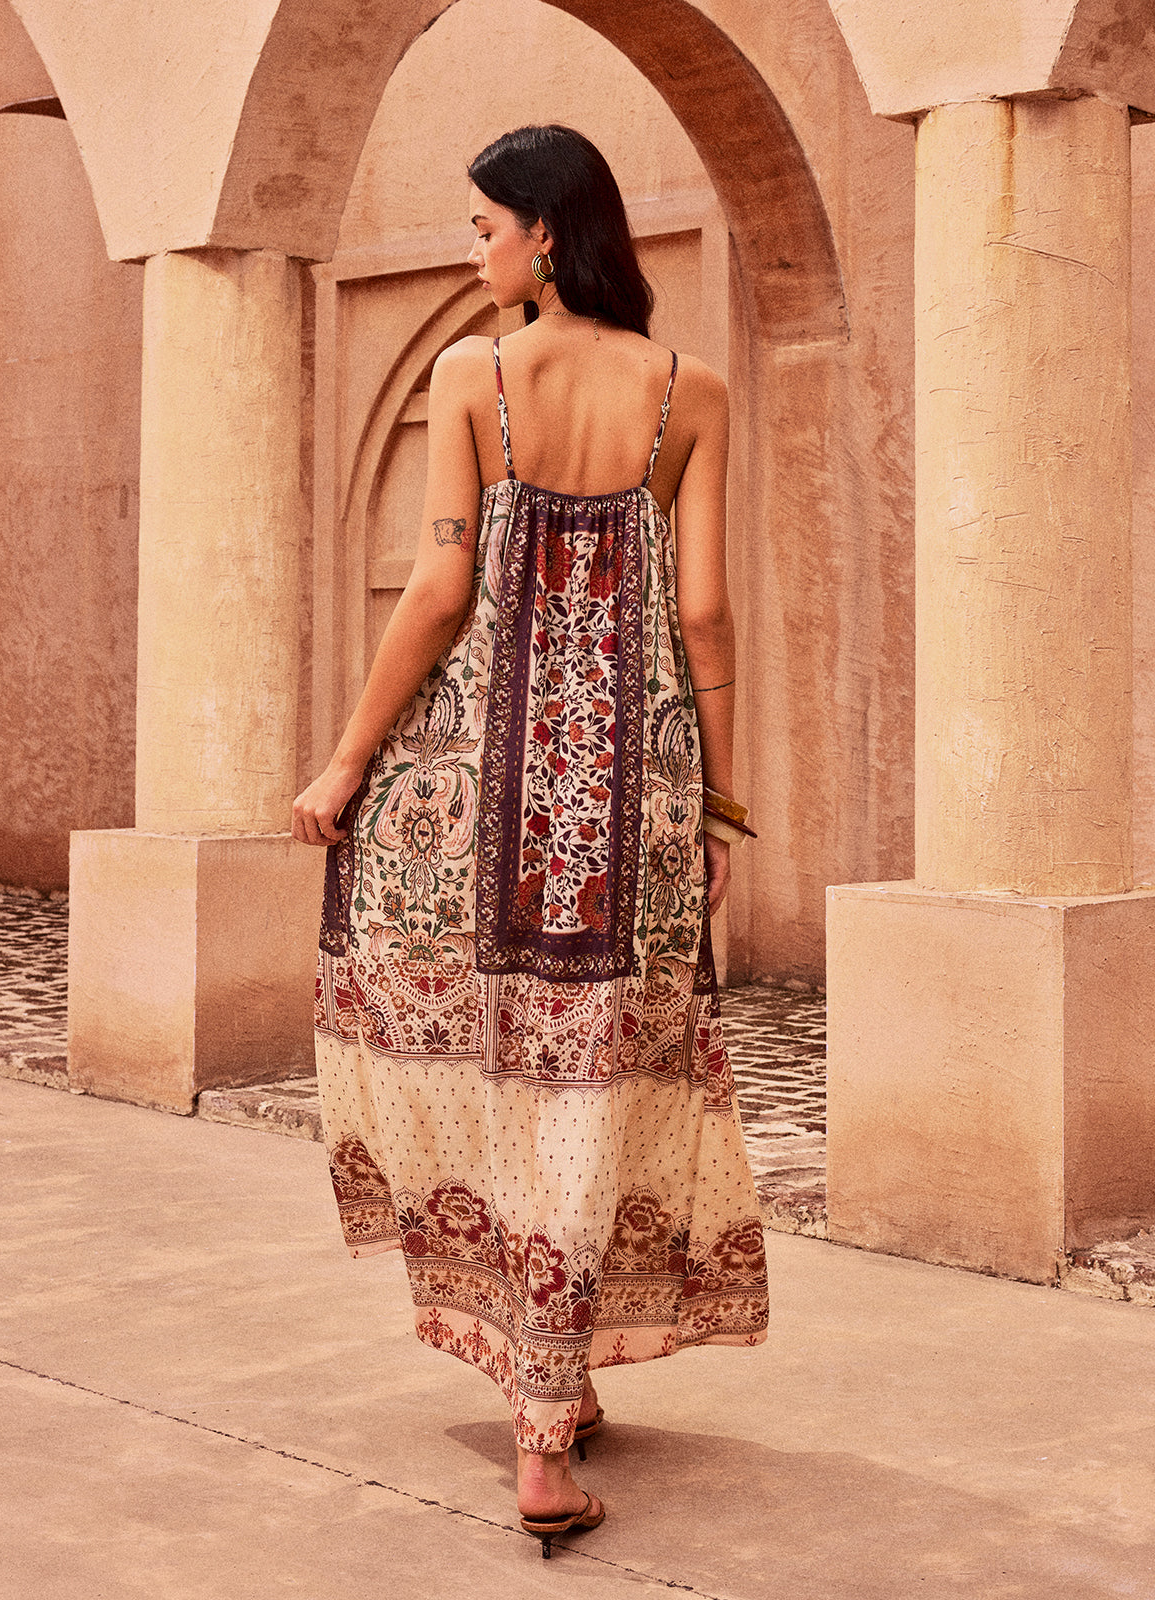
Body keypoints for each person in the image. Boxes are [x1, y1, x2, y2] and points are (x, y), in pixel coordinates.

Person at [292, 123, 767, 1558]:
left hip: (482, 798)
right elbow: (702, 617)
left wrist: (347, 758)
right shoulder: (692, 392)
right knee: (597, 1075)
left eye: (487, 228)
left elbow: (441, 588)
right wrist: (720, 799)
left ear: (548, 232)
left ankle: (540, 1436)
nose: (476, 251)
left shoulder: (475, 376)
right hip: (633, 798)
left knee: (504, 1071)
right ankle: (561, 1375)